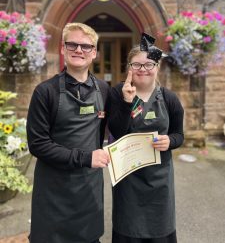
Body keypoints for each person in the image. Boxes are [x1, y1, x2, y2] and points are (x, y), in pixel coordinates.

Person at [26, 22, 110, 243]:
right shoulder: (45, 92)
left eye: (85, 46)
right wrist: (86, 157)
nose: (78, 50)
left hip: (88, 187)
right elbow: (38, 144)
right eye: (72, 44)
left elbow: (107, 132)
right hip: (54, 189)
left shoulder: (103, 89)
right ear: (63, 48)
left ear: (95, 53)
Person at [108, 33, 184, 243]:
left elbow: (179, 135)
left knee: (160, 231)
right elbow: (116, 131)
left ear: (157, 67)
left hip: (159, 180)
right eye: (137, 65)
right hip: (128, 180)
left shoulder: (169, 98)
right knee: (129, 230)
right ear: (129, 67)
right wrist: (126, 101)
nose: (143, 69)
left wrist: (171, 141)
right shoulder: (116, 93)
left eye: (149, 64)